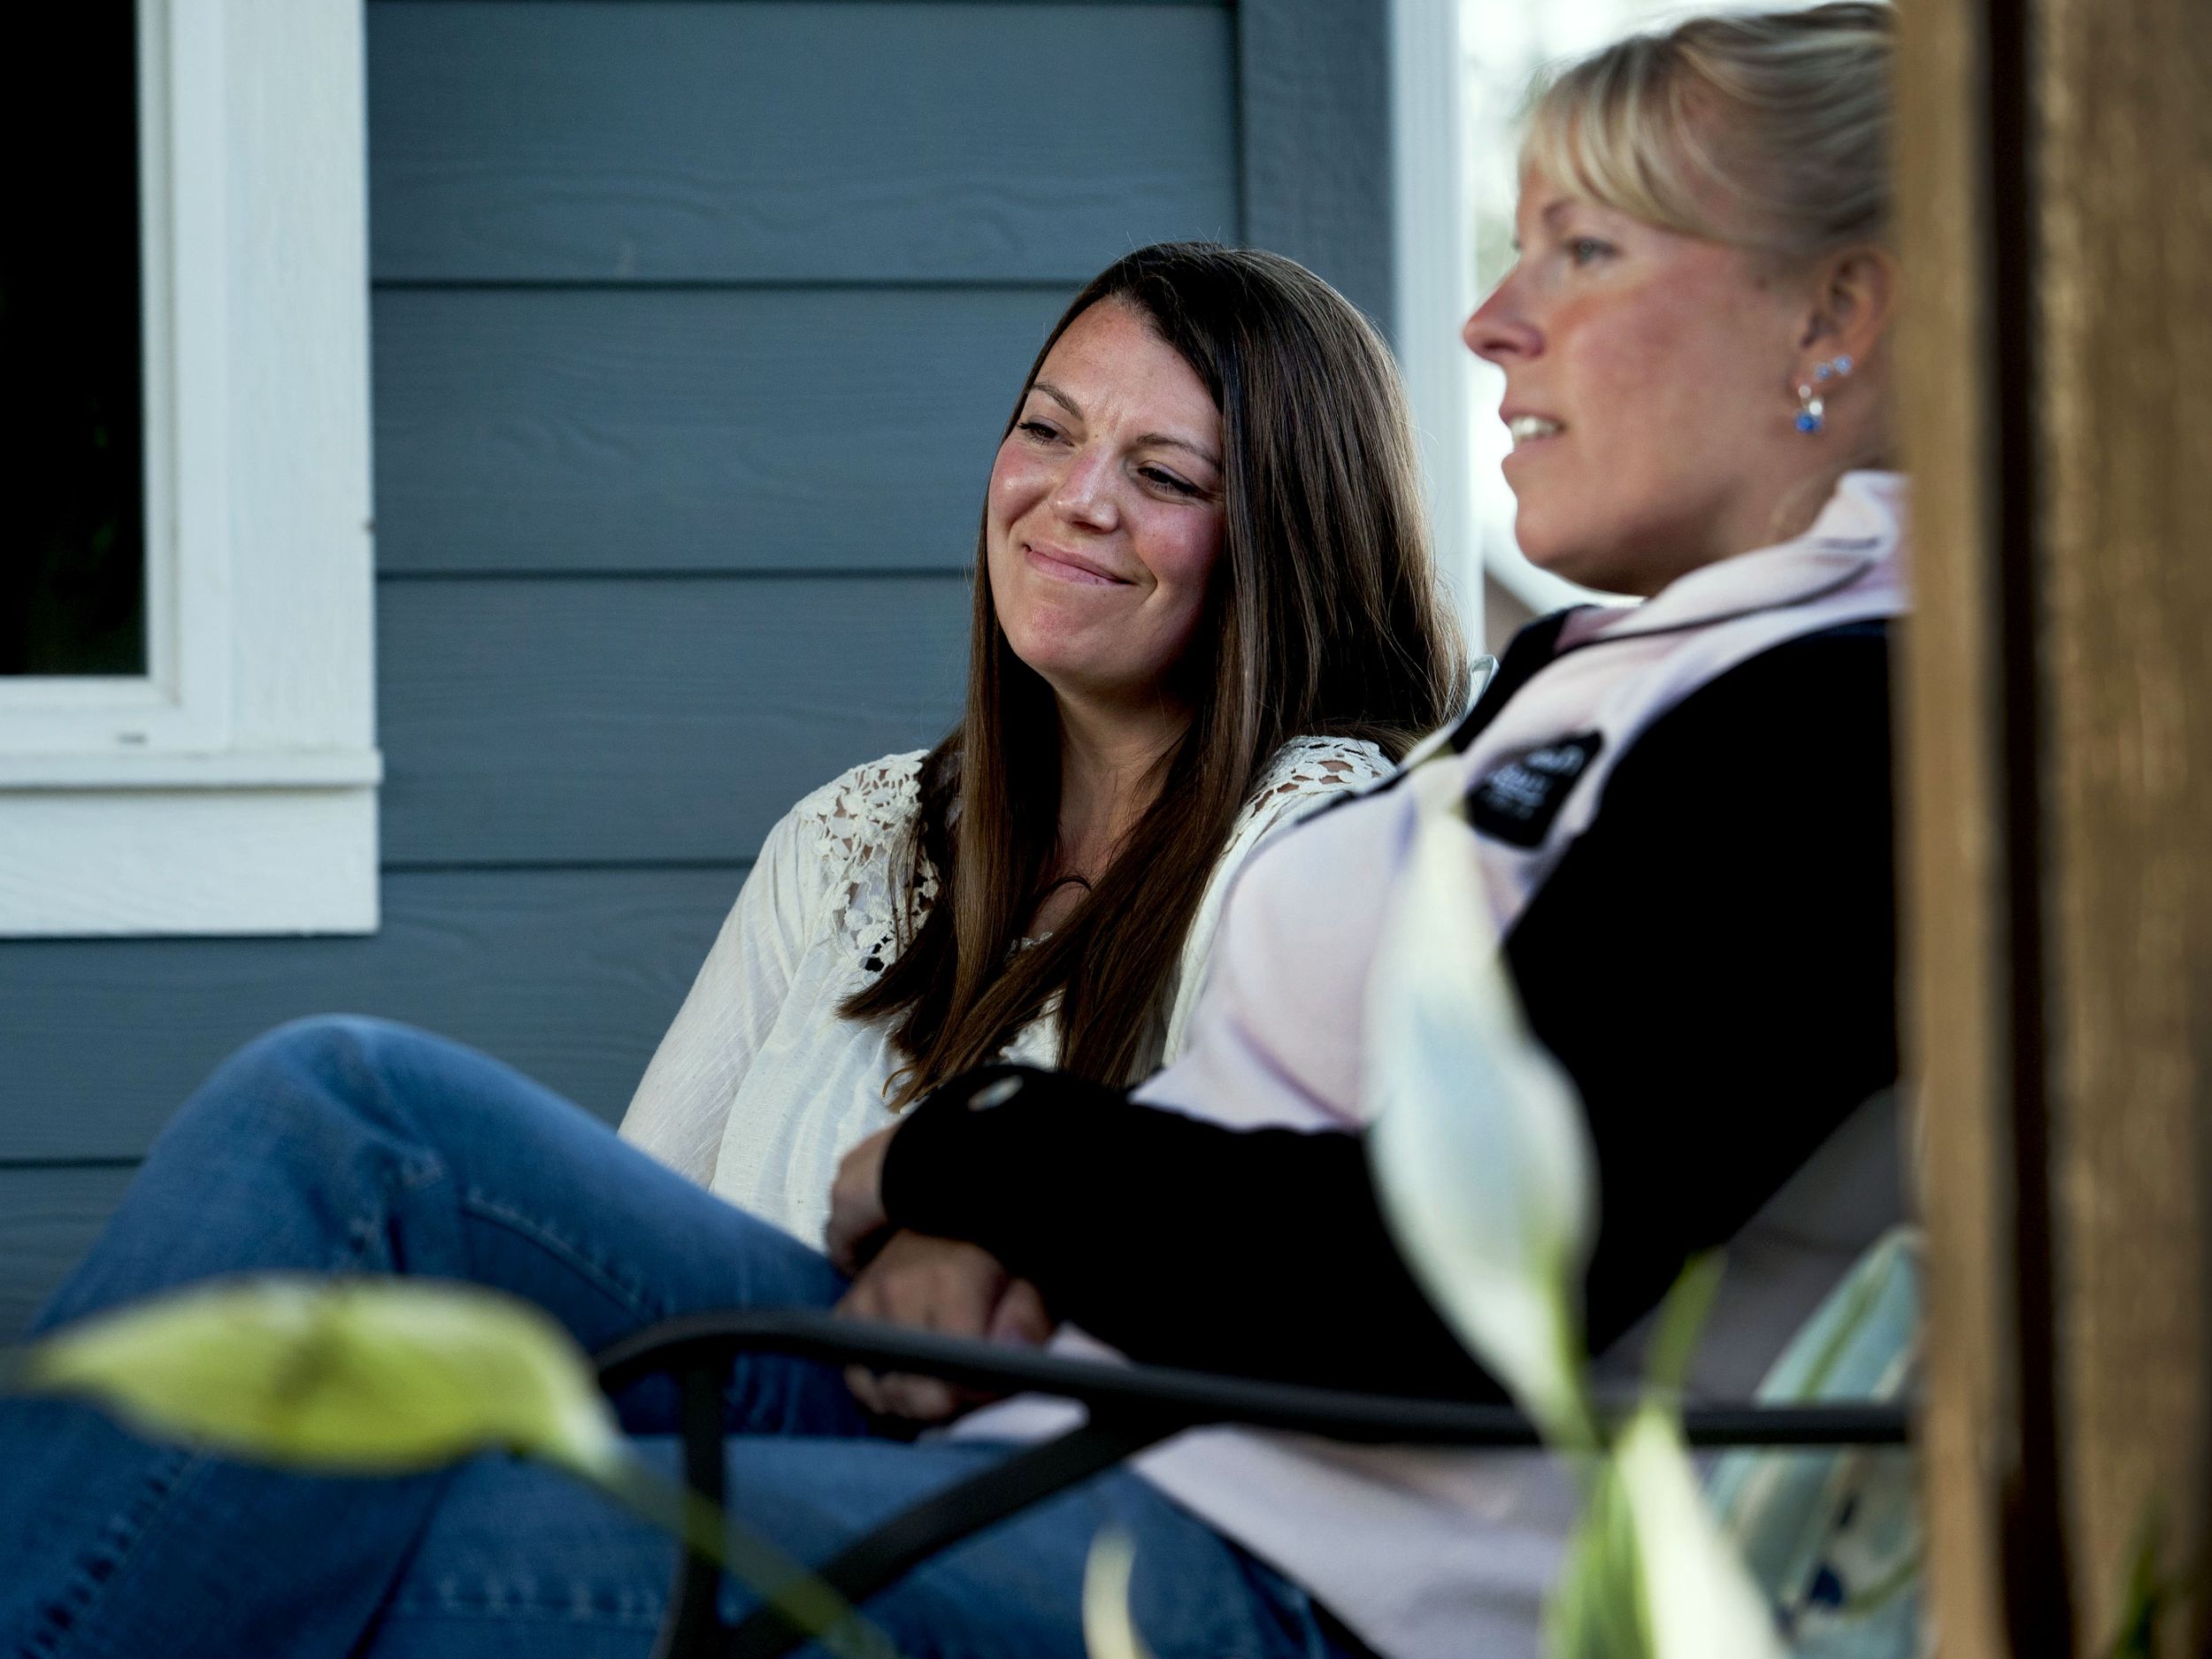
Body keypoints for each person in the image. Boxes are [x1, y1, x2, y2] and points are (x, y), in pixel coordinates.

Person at [0, 8, 1905, 1659]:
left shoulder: (1833, 715)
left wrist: (976, 1152)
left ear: (1833, 309)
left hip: (1276, 1559)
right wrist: (991, 1209)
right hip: (1073, 1399)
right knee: (349, 1114)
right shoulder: (1603, 669)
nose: (1494, 319)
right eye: (1517, 249)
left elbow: (1454, 1263)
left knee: (432, 1523)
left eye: (1579, 249)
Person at [619, 242, 1467, 1264]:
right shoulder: (853, 836)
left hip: (1007, 1419)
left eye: (1162, 474)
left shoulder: (1321, 835)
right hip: (741, 1401)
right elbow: (633, 1228)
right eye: (1045, 430)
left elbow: (1284, 1254)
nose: (1077, 498)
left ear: (1286, 544)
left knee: (387, 1103)